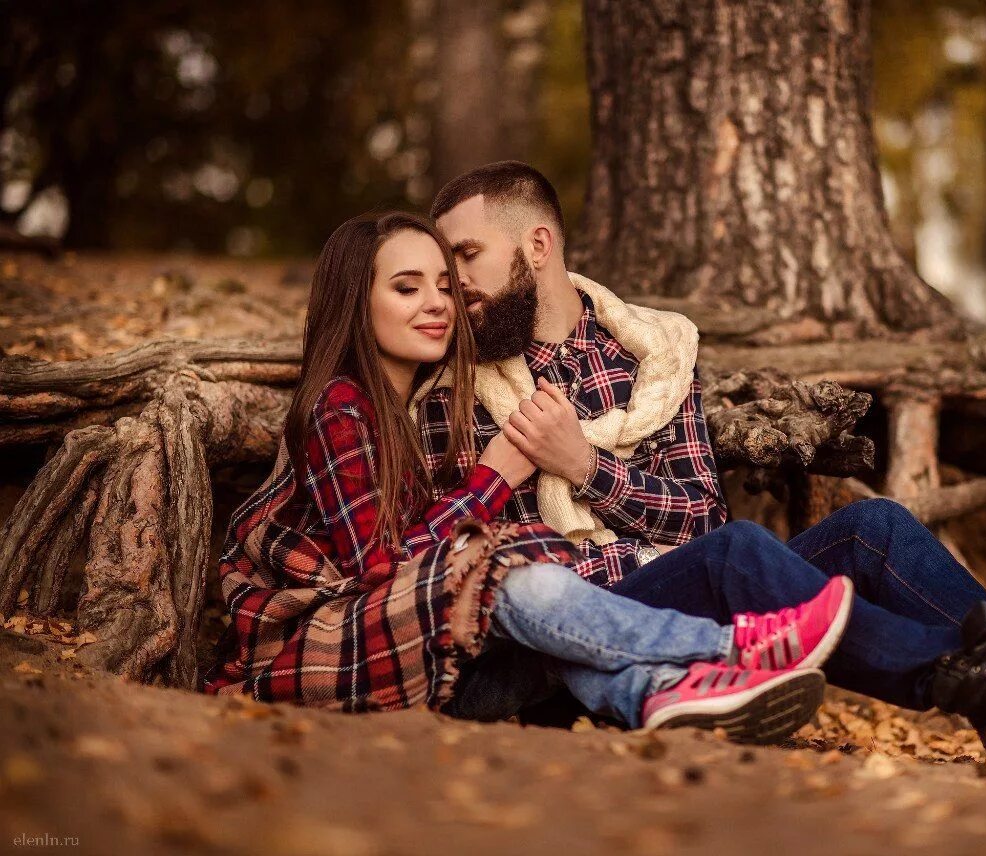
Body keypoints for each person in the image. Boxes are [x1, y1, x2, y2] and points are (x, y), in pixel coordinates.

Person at [420, 161, 986, 768]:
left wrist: (587, 468)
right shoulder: (454, 382)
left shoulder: (651, 353)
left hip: (671, 572)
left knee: (872, 525)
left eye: (467, 255)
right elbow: (469, 564)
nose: (456, 284)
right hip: (573, 627)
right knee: (739, 553)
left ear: (537, 243)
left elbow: (698, 513)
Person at [201, 211, 859, 745]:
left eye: (443, 285)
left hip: (430, 672)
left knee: (542, 619)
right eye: (407, 288)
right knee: (515, 575)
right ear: (357, 301)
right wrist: (496, 476)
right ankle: (735, 645)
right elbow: (381, 568)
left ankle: (659, 695)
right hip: (322, 656)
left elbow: (429, 567)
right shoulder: (342, 404)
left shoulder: (414, 409)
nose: (436, 304)